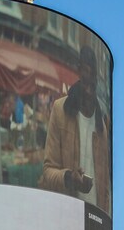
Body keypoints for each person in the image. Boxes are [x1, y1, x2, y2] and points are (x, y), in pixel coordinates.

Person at [38, 44, 110, 213]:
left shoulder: (102, 128)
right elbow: (48, 172)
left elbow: (105, 190)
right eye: (85, 80)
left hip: (94, 218)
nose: (88, 90)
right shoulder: (60, 110)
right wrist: (69, 177)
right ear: (79, 72)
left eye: (93, 84)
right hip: (66, 212)